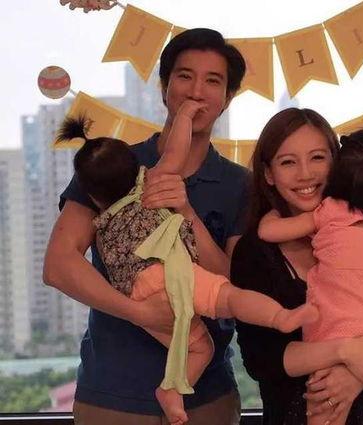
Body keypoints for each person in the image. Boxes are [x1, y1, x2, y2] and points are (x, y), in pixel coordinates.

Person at [56, 110, 317, 425]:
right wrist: (184, 116)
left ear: (92, 196)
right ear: (137, 169)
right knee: (231, 298)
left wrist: (139, 312)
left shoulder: (103, 223)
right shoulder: (150, 187)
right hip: (177, 273)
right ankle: (280, 317)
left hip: (141, 292)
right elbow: (176, 151)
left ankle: (171, 391)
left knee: (199, 349)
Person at [44, 28, 250, 425]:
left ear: (227, 98)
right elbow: (58, 266)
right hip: (112, 397)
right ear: (164, 87)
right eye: (185, 76)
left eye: (213, 81)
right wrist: (139, 312)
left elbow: (235, 284)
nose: (197, 91)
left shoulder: (239, 184)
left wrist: (186, 213)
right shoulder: (113, 164)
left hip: (206, 398)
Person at [231, 108, 363, 425]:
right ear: (268, 174)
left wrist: (362, 372)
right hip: (301, 411)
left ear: (338, 162)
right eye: (288, 162)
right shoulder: (255, 253)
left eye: (318, 158)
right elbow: (262, 360)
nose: (305, 173)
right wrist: (346, 352)